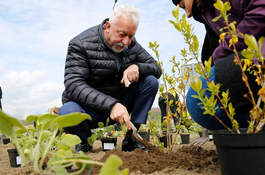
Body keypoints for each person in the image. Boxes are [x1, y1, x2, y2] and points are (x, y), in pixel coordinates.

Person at [58, 5, 162, 153]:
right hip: (90, 109)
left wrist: (138, 67)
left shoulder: (131, 45)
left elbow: (156, 67)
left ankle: (131, 137)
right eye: (122, 34)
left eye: (131, 36)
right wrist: (111, 105)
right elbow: (74, 84)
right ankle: (83, 140)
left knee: (150, 81)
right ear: (108, 26)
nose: (126, 42)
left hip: (121, 104)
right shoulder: (80, 44)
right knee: (67, 112)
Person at [172, 0, 265, 130]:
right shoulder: (207, 10)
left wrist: (222, 51)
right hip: (248, 58)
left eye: (183, 6)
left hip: (258, 55)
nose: (188, 14)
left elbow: (260, 11)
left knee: (199, 100)